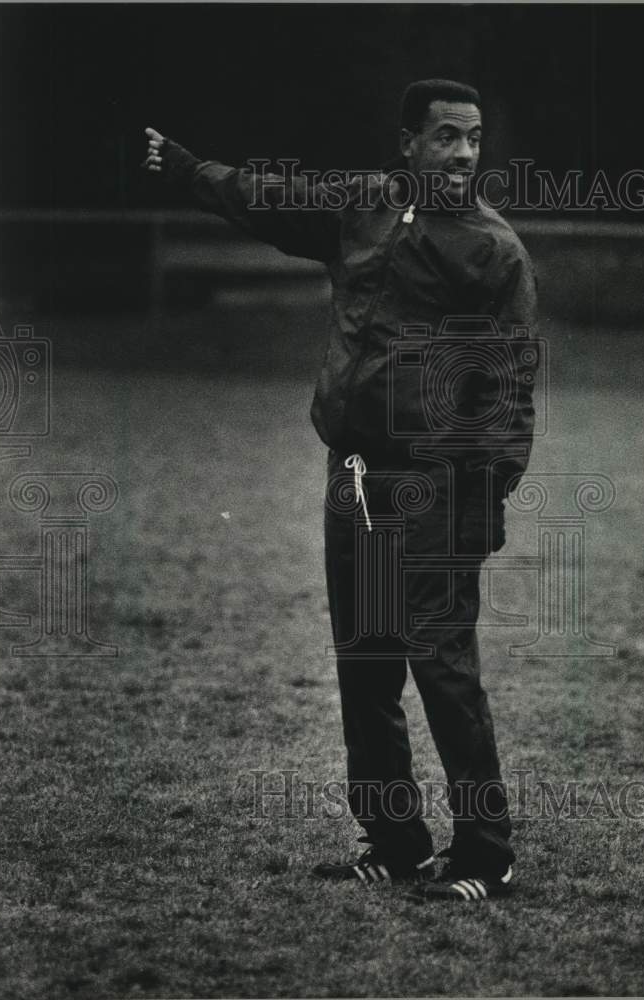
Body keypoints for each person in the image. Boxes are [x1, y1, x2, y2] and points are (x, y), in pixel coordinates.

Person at [143, 79, 538, 902]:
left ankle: (485, 853)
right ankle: (394, 840)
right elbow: (269, 200)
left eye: (472, 138)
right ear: (408, 144)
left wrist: (484, 499)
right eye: (446, 138)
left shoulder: (492, 252)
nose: (464, 153)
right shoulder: (362, 210)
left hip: (432, 485)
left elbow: (507, 388)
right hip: (353, 476)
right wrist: (185, 169)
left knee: (442, 665)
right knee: (366, 666)